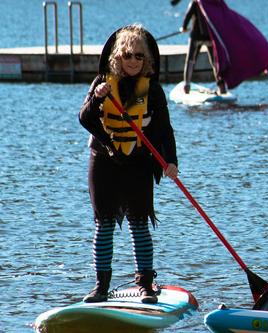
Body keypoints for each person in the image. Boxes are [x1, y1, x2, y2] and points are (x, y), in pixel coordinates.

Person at [79, 24, 179, 304]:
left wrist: (171, 161)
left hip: (138, 163)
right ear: (117, 57)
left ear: (146, 60)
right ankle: (101, 287)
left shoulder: (153, 90)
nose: (133, 61)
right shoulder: (102, 84)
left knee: (138, 223)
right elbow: (84, 118)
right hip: (104, 162)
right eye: (127, 55)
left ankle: (145, 285)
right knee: (104, 224)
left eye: (138, 56)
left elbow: (164, 129)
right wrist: (96, 99)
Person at [178, 0, 226, 95]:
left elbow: (187, 16)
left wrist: (183, 28)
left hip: (196, 37)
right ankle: (222, 87)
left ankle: (186, 87)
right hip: (209, 38)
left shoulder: (195, 3)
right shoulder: (212, 3)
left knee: (190, 61)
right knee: (215, 63)